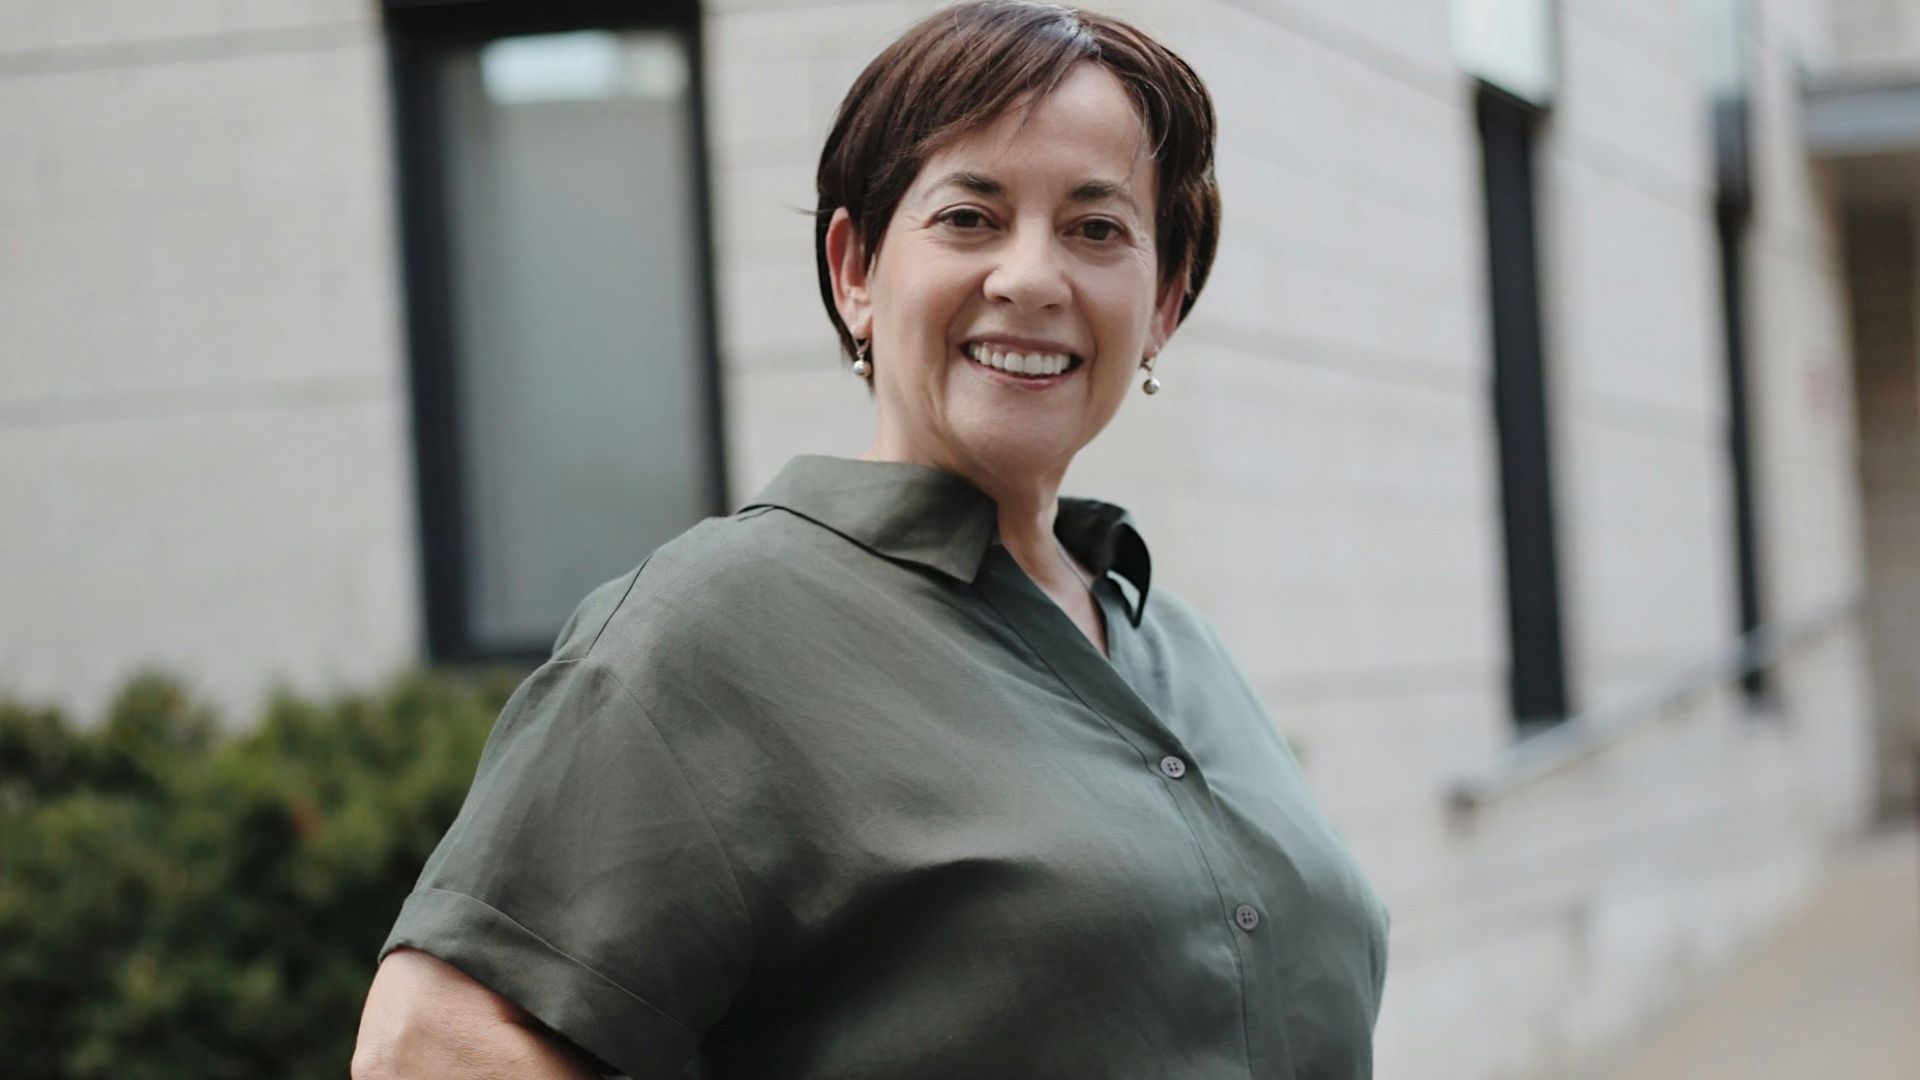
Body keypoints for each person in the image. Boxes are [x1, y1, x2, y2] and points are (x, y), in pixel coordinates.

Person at [351, 3, 1390, 1077]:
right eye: (970, 217)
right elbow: (428, 1047)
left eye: (1097, 228)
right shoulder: (716, 628)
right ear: (857, 270)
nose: (1031, 278)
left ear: (1164, 299)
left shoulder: (1185, 652)